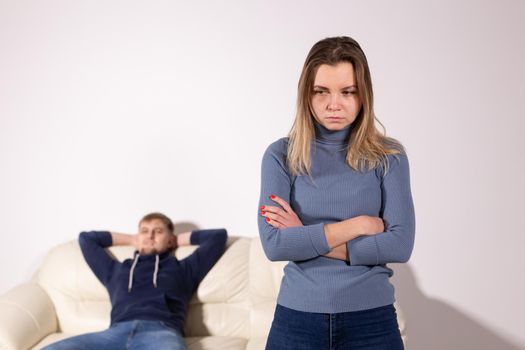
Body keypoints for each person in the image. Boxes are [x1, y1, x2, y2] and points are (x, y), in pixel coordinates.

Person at [258, 36, 415, 350]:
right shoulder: (281, 156)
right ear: (307, 94)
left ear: (363, 95)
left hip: (371, 319)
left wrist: (304, 235)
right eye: (322, 91)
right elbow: (275, 245)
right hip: (297, 319)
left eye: (347, 91)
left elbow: (399, 245)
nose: (334, 104)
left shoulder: (389, 156)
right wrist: (356, 226)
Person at [43, 212, 227, 350]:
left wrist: (175, 239)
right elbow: (86, 239)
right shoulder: (115, 270)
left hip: (161, 332)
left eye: (158, 231)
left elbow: (218, 236)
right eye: (144, 231)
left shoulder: (184, 269)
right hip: (113, 334)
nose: (150, 236)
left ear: (170, 240)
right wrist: (133, 239)